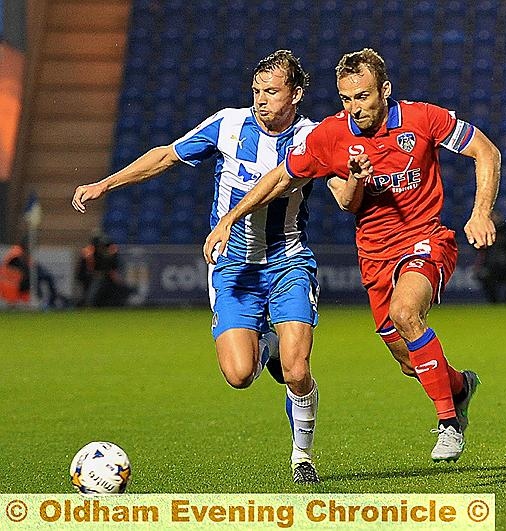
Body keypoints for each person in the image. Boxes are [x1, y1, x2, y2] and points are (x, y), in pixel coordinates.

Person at [204, 48, 501, 463]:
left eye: (362, 96)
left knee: (405, 312)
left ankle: (448, 423)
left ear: (385, 90)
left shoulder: (423, 118)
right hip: (374, 253)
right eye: (346, 98)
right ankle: (458, 387)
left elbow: (486, 151)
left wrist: (480, 212)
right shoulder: (331, 135)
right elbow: (288, 180)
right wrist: (230, 218)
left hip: (425, 238)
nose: (354, 107)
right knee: (408, 359)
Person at [72, 50, 321, 483]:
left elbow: (342, 187)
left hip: (288, 260)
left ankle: (301, 456)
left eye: (272, 91)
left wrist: (352, 178)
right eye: (256, 90)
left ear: (296, 94)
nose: (261, 100)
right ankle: (268, 345)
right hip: (234, 268)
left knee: (298, 370)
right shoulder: (227, 124)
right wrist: (105, 183)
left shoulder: (314, 137)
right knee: (239, 375)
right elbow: (167, 155)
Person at [474, 210, 506, 303]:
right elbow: (481, 253)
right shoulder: (484, 234)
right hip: (490, 267)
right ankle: (494, 301)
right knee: (484, 277)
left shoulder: (504, 234)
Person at [76, 233, 134, 307]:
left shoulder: (110, 253)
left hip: (105, 277)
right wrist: (96, 274)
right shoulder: (89, 253)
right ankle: (88, 304)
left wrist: (112, 275)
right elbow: (86, 270)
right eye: (101, 245)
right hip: (88, 276)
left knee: (117, 286)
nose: (102, 248)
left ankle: (117, 303)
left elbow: (112, 268)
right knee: (96, 285)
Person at [0, 239, 61, 307]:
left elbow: (33, 266)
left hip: (22, 280)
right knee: (37, 277)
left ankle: (50, 301)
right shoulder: (17, 252)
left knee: (46, 276)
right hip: (15, 283)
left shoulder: (23, 254)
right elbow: (20, 265)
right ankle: (41, 299)